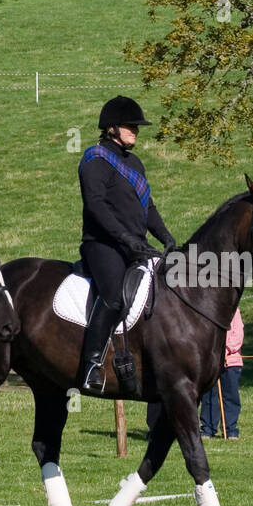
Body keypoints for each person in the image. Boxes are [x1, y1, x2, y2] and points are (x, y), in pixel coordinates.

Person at [78, 96, 176, 393]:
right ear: (111, 128)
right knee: (114, 297)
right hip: (103, 245)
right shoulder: (94, 159)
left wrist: (167, 237)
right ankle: (91, 365)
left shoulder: (135, 163)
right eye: (129, 125)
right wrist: (125, 238)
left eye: (136, 126)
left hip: (135, 246)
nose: (135, 130)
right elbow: (96, 206)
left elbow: (148, 208)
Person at [200, 307, 244, 438]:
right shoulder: (208, 310)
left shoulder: (234, 311)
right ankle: (208, 428)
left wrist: (225, 350)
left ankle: (230, 429)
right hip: (211, 362)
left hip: (231, 362)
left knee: (230, 396)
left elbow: (238, 335)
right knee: (208, 396)